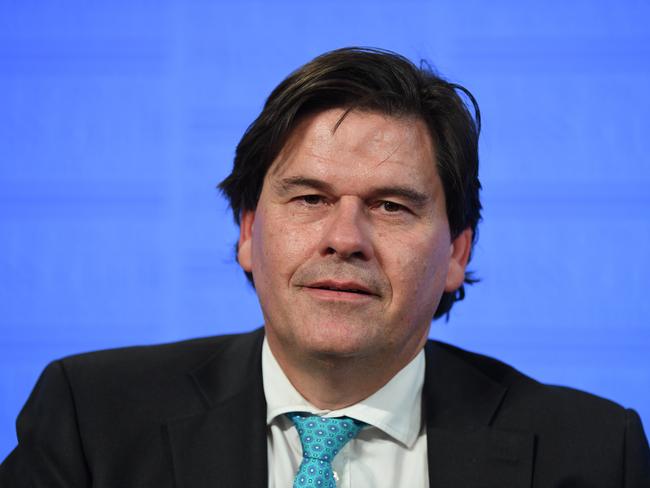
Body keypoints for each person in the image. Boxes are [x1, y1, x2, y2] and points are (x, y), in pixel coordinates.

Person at [1, 47, 648, 488]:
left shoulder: (592, 454)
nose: (345, 238)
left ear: (457, 253)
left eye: (391, 206)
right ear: (249, 232)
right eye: (310, 198)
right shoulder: (93, 419)